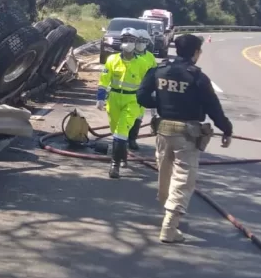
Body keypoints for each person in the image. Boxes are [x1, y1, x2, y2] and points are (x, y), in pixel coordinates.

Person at [136, 33, 233, 244]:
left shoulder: (158, 71)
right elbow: (213, 108)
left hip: (163, 131)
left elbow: (141, 96)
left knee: (165, 174)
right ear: (195, 53)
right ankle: (169, 228)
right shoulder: (197, 77)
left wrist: (162, 103)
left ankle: (168, 213)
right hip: (187, 135)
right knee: (182, 178)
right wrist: (226, 129)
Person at [96, 28, 151, 179]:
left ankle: (115, 165)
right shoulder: (112, 60)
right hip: (114, 100)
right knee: (116, 132)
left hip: (132, 101)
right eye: (125, 40)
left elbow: (147, 85)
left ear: (136, 42)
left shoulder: (143, 64)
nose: (128, 43)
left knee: (121, 131)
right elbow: (104, 81)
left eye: (131, 40)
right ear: (121, 42)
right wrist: (100, 98)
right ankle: (122, 155)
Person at [127, 28, 157, 153]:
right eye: (139, 41)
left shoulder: (150, 57)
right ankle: (121, 140)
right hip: (127, 92)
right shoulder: (128, 55)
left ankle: (132, 139)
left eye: (143, 41)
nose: (141, 44)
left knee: (138, 117)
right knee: (125, 117)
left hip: (142, 93)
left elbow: (155, 75)